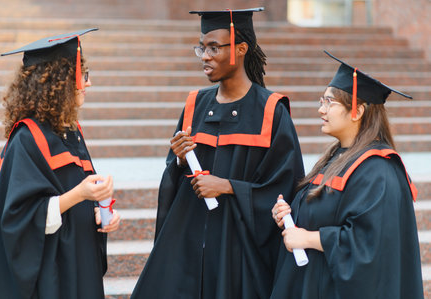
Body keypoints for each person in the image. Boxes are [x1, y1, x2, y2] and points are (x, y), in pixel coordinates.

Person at [131, 7, 304, 299]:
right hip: (188, 245)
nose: (206, 56)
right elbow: (174, 181)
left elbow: (284, 188)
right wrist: (178, 159)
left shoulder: (271, 110)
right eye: (202, 48)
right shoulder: (194, 104)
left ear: (241, 48)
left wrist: (227, 187)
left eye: (214, 47)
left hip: (237, 251)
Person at [270, 51, 423, 299]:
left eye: (329, 102)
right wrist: (291, 215)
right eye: (322, 100)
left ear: (358, 111)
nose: (321, 109)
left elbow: (367, 245)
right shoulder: (337, 157)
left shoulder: (378, 170)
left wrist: (308, 238)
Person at [0, 28, 121, 299]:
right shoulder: (27, 137)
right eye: (82, 74)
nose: (88, 83)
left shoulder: (70, 130)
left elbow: (73, 194)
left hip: (78, 260)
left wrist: (98, 211)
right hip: (50, 273)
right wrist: (80, 194)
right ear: (58, 81)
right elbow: (20, 218)